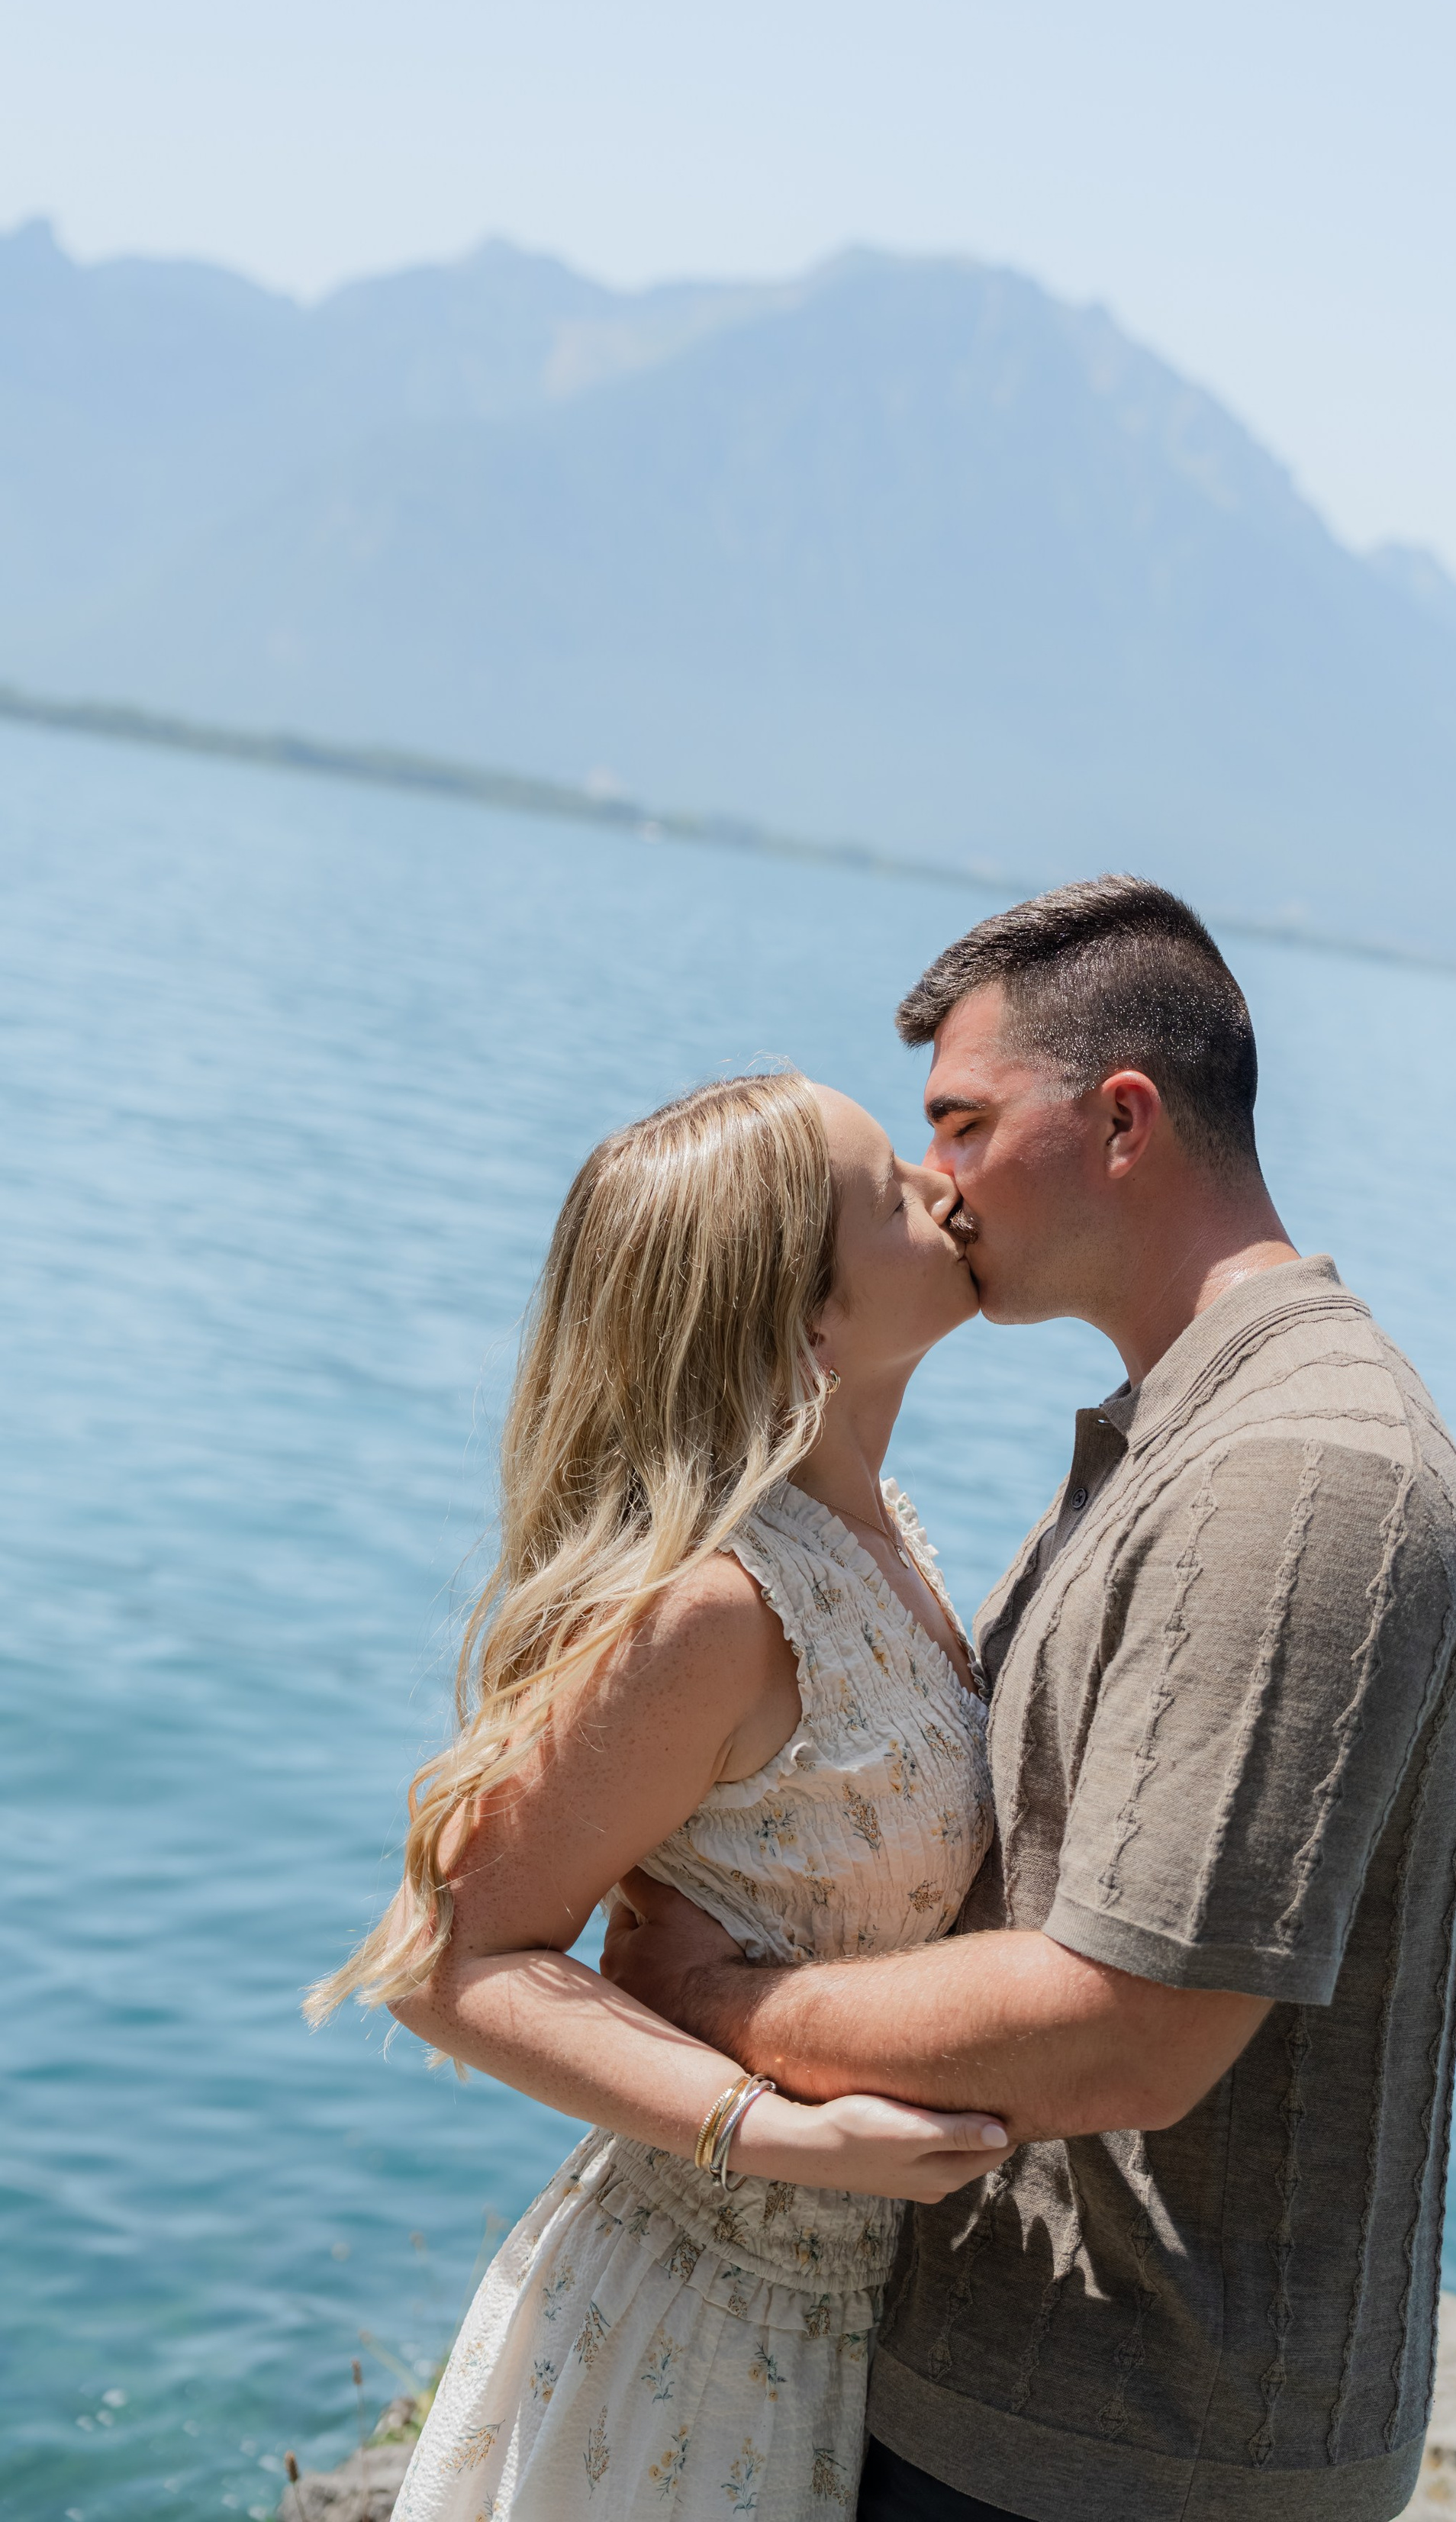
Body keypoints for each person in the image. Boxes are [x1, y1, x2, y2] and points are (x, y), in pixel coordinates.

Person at [602, 877, 1456, 2522]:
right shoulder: (1187, 1432)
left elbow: (1128, 2030)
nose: (935, 1184)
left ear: (1121, 1122)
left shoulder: (1294, 1476)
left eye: (958, 1122)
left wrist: (729, 2008)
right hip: (1039, 2423)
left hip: (1116, 2461)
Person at [308, 1071, 1003, 2520]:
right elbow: (453, 1960)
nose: (945, 1184)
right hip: (696, 2335)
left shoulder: (886, 1539)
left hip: (852, 2327)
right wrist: (773, 2130)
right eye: (889, 1190)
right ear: (807, 1314)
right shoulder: (723, 1609)